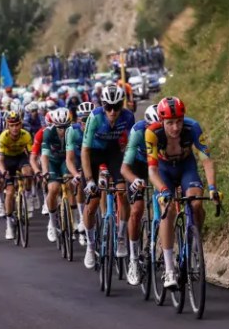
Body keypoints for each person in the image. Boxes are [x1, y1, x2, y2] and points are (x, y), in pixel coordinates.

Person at [145, 97, 221, 288]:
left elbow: (206, 160)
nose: (175, 127)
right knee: (168, 209)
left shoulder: (193, 128)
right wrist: (162, 190)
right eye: (170, 123)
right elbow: (152, 171)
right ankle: (169, 269)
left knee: (196, 202)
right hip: (163, 171)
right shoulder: (152, 133)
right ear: (162, 122)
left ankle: (194, 244)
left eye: (179, 121)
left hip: (186, 167)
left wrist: (212, 188)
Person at [80, 85, 135, 269]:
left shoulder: (128, 117)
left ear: (122, 105)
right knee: (93, 202)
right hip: (94, 154)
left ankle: (120, 236)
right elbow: (85, 151)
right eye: (108, 107)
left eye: (116, 106)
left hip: (113, 153)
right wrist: (89, 180)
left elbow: (130, 146)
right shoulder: (95, 117)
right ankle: (90, 245)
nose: (112, 112)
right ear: (102, 105)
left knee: (122, 192)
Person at [120, 105, 159, 285]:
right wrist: (134, 180)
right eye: (153, 128)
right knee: (136, 210)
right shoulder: (137, 131)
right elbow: (125, 167)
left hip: (159, 165)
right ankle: (134, 260)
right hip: (138, 166)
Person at [0, 111, 33, 240]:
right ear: (8, 126)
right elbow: (0, 160)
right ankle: (9, 225)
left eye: (17, 125)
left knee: (28, 173)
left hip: (21, 158)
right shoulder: (3, 137)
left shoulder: (26, 135)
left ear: (21, 124)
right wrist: (3, 171)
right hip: (8, 161)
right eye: (12, 125)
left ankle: (28, 198)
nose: (15, 128)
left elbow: (32, 155)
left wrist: (34, 167)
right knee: (10, 192)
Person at [40, 107, 72, 243]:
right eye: (60, 127)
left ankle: (76, 219)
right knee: (53, 188)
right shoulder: (48, 133)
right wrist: (45, 171)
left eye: (65, 127)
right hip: (53, 162)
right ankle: (52, 224)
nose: (62, 131)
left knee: (71, 184)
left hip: (66, 161)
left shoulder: (73, 132)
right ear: (54, 125)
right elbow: (44, 155)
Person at [66, 100, 94, 246]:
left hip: (93, 159)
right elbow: (69, 159)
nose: (87, 125)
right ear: (78, 120)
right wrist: (76, 174)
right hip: (77, 161)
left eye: (90, 120)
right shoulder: (73, 131)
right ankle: (82, 218)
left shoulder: (99, 129)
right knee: (79, 184)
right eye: (84, 121)